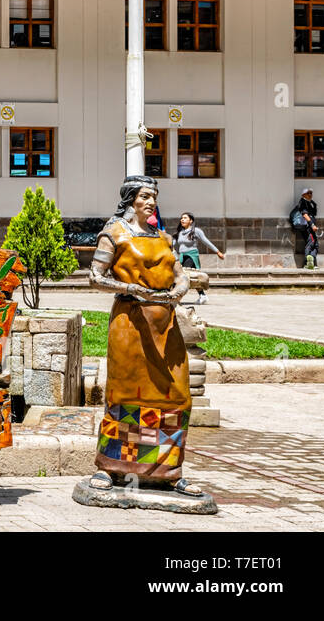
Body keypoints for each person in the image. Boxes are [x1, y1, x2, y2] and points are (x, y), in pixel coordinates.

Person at [84, 175, 206, 500]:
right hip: (130, 323)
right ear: (130, 199)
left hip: (165, 325)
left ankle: (168, 470)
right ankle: (110, 466)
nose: (151, 202)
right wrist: (129, 288)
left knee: (176, 395)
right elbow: (95, 276)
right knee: (125, 394)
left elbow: (180, 276)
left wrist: (179, 291)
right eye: (144, 196)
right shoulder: (114, 234)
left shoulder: (163, 237)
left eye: (153, 196)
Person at [173, 212, 224, 303]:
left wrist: (217, 251)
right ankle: (202, 295)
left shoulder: (196, 231)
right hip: (181, 256)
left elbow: (206, 241)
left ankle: (177, 296)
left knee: (186, 275)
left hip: (191, 256)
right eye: (181, 218)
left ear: (191, 220)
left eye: (185, 218)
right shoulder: (180, 232)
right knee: (188, 276)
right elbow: (172, 244)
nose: (182, 219)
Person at [291, 188, 320, 269]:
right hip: (308, 227)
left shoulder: (309, 203)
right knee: (311, 242)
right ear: (303, 194)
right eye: (308, 193)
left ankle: (311, 261)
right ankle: (307, 263)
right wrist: (312, 225)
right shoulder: (303, 202)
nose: (310, 194)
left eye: (311, 193)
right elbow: (305, 214)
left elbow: (313, 213)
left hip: (310, 227)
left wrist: (314, 204)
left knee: (316, 244)